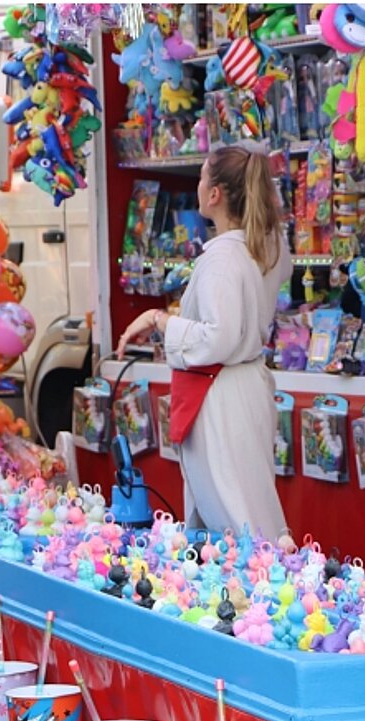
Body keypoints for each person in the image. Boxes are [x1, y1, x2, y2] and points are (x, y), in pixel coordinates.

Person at [114, 143, 292, 537]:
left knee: (232, 512)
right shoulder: (268, 246)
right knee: (250, 500)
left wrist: (161, 320)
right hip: (244, 385)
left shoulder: (222, 258)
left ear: (214, 195)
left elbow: (219, 337)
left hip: (219, 392)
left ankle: (255, 584)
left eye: (201, 179)